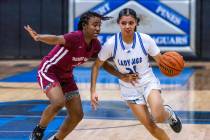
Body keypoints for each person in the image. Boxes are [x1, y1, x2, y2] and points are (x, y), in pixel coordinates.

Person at [25, 11, 136, 140]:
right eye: (94, 25)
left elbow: (104, 64)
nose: (98, 28)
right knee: (58, 102)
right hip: (49, 71)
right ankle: (38, 131)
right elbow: (56, 38)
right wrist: (38, 37)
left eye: (99, 25)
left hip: (66, 76)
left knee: (77, 115)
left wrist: (121, 76)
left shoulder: (95, 44)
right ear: (84, 25)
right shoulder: (75, 37)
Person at [90, 8, 182, 140]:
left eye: (131, 23)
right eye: (124, 23)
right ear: (119, 24)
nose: (127, 26)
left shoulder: (146, 40)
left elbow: (162, 62)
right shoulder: (111, 44)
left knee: (158, 116)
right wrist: (94, 90)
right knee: (151, 127)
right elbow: (97, 65)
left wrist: (172, 66)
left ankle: (168, 113)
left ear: (136, 23)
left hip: (148, 81)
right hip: (129, 89)